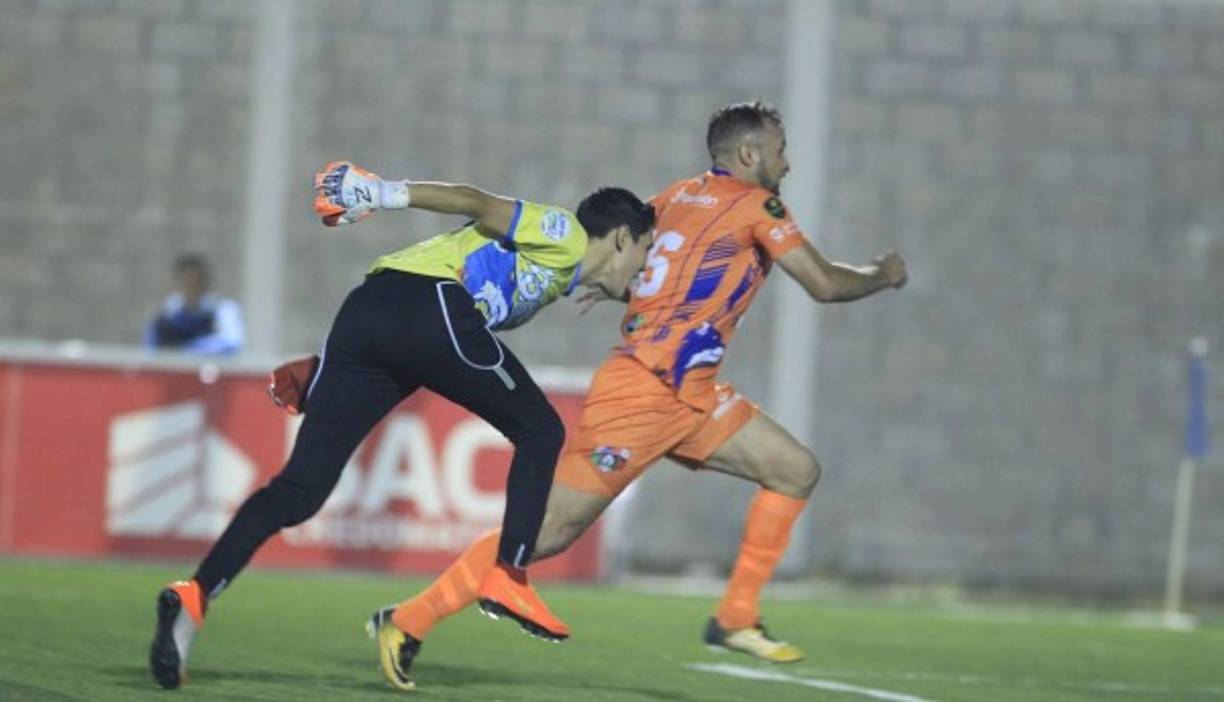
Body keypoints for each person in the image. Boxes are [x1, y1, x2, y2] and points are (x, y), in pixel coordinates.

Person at [368, 100, 908, 688]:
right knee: (546, 533)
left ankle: (735, 616)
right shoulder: (759, 206)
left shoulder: (677, 196)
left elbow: (634, 253)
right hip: (643, 394)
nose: (789, 161)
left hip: (692, 391)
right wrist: (883, 275)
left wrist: (610, 282)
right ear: (749, 155)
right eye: (780, 150)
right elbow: (825, 283)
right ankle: (407, 620)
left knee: (795, 469)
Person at [148, 161, 656, 690]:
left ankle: (193, 597)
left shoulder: (567, 269)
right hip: (425, 304)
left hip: (370, 316)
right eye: (645, 251)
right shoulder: (566, 234)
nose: (646, 266)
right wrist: (382, 193)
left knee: (299, 492)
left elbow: (610, 282)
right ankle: (508, 574)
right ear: (621, 237)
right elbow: (474, 200)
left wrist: (330, 368)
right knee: (541, 431)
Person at [145, 254, 245, 355]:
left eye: (197, 281)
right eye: (187, 282)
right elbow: (151, 350)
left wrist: (187, 349)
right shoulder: (164, 314)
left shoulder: (223, 310)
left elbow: (232, 344)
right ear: (178, 282)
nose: (193, 287)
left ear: (206, 282)